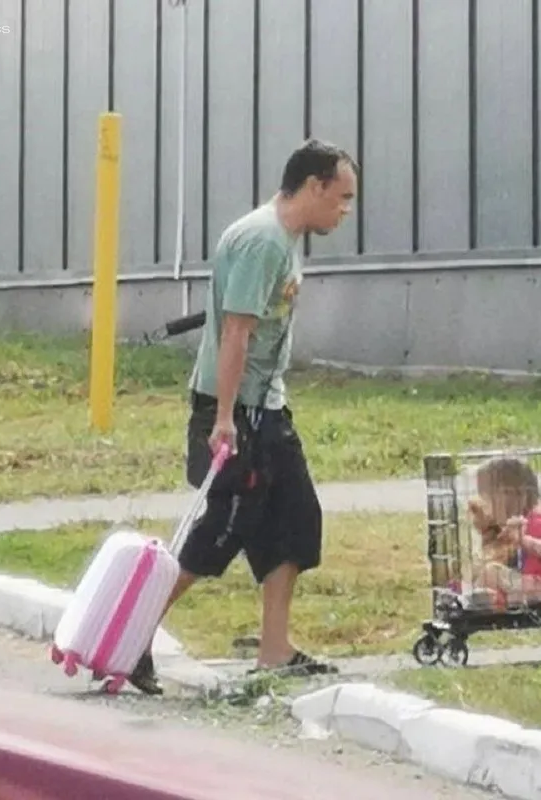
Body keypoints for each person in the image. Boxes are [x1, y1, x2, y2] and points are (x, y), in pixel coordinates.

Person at [128, 139, 358, 695]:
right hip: (237, 411)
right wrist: (224, 417)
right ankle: (133, 636)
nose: (345, 210)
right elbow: (236, 332)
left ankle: (274, 651)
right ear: (314, 186)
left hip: (267, 405)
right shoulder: (262, 240)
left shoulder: (284, 238)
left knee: (296, 522)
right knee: (221, 533)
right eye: (342, 197)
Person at [467, 457, 541, 608]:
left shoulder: (539, 520)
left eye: (487, 497)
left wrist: (523, 540)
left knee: (492, 572)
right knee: (493, 572)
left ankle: (474, 604)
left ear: (511, 495)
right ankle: (486, 600)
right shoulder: (527, 520)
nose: (485, 505)